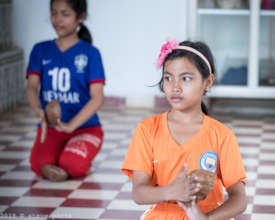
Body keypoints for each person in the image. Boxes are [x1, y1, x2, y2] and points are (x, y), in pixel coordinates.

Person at [121, 39, 247, 219]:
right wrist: (171, 191)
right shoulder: (147, 130)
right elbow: (139, 194)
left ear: (208, 82)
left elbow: (239, 198)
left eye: (186, 78)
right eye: (168, 78)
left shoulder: (222, 136)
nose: (175, 87)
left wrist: (206, 218)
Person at [25, 0, 105, 181]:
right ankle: (60, 153)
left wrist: (71, 126)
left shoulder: (91, 53)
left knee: (72, 166)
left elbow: (97, 98)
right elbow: (31, 87)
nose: (57, 20)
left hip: (85, 128)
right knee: (39, 164)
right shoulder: (40, 50)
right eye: (54, 13)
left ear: (81, 17)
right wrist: (39, 111)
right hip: (52, 128)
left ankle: (71, 154)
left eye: (65, 14)